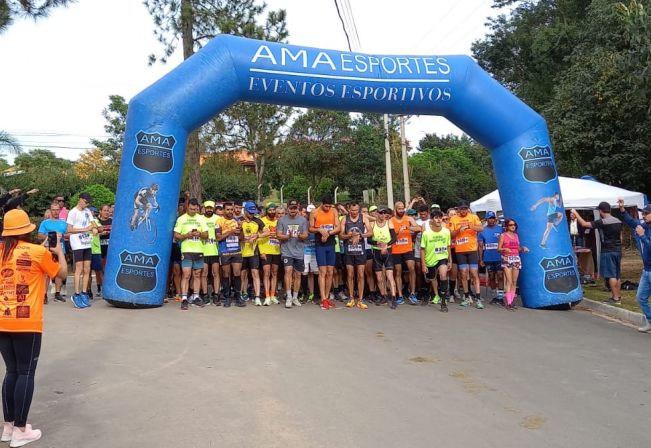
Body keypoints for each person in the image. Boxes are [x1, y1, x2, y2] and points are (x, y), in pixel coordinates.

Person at [0, 209, 67, 447]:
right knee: (26, 372)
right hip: (27, 322)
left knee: (11, 372)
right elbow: (61, 274)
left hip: (2, 320)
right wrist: (59, 252)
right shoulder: (38, 252)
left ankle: (8, 428)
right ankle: (20, 431)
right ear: (28, 230)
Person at [571, 203, 623, 305]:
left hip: (607, 250)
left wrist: (575, 213)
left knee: (611, 275)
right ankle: (618, 295)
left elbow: (585, 224)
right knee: (617, 275)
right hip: (618, 250)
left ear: (601, 211)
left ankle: (616, 298)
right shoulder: (618, 221)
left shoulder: (602, 222)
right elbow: (621, 237)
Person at [617, 200, 651, 331]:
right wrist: (622, 209)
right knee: (640, 298)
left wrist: (642, 236)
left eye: (647, 213)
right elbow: (631, 222)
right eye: (644, 213)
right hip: (646, 270)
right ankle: (650, 321)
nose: (644, 216)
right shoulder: (644, 226)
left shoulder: (644, 230)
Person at [173, 198, 208, 310]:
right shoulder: (182, 219)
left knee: (197, 274)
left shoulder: (201, 218)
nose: (193, 210)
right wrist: (186, 235)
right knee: (186, 274)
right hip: (187, 250)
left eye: (195, 209)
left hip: (199, 250)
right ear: (187, 207)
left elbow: (206, 235)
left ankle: (196, 296)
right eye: (191, 208)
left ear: (197, 208)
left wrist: (200, 234)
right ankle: (184, 298)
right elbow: (176, 235)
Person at [449, 201, 485, 309]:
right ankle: (466, 296)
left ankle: (478, 298)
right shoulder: (454, 218)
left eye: (465, 209)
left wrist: (471, 226)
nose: (463, 211)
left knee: (474, 273)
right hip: (460, 250)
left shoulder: (473, 217)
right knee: (463, 273)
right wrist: (459, 230)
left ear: (467, 209)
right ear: (458, 209)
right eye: (461, 209)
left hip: (472, 249)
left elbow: (481, 228)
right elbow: (450, 234)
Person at [309, 195, 341, 310]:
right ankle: (323, 298)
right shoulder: (315, 212)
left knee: (330, 271)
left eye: (329, 206)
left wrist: (328, 233)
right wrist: (319, 230)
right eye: (326, 206)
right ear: (322, 204)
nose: (327, 208)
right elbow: (310, 228)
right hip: (320, 244)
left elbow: (338, 228)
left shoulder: (334, 211)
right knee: (322, 271)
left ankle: (327, 297)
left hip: (330, 243)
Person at [340, 201, 372, 309]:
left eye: (356, 210)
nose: (354, 212)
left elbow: (371, 232)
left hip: (360, 250)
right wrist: (348, 235)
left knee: (361, 274)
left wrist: (360, 235)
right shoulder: (345, 219)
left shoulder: (363, 218)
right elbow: (340, 235)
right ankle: (351, 297)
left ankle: (361, 299)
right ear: (349, 210)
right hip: (349, 250)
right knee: (350, 274)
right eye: (352, 210)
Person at [277, 200, 309, 308]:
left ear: (298, 208)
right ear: (288, 209)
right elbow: (279, 235)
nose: (293, 210)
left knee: (298, 274)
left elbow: (305, 235)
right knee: (288, 271)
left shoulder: (303, 220)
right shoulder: (282, 220)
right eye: (291, 208)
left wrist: (300, 236)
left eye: (295, 208)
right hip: (287, 251)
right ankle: (289, 296)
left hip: (299, 251)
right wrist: (288, 236)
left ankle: (295, 297)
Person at [66, 192, 96, 308]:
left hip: (87, 243)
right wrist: (85, 229)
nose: (87, 204)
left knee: (87, 269)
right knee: (79, 269)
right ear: (80, 200)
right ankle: (76, 294)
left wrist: (93, 228)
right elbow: (69, 229)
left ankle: (84, 292)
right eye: (85, 201)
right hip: (77, 243)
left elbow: (92, 222)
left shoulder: (87, 211)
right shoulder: (73, 212)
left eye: (88, 202)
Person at [390, 201, 421, 305]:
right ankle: (399, 295)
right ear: (395, 209)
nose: (401, 210)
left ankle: (412, 293)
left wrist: (408, 227)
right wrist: (398, 232)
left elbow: (419, 228)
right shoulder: (391, 220)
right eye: (399, 208)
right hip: (396, 250)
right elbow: (389, 234)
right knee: (397, 272)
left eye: (403, 208)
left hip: (407, 249)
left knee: (412, 268)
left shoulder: (409, 219)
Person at [37, 201, 68, 303]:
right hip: (48, 249)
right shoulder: (45, 223)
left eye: (57, 210)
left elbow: (68, 235)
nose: (55, 212)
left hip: (60, 249)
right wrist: (51, 235)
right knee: (46, 273)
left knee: (59, 271)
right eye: (53, 210)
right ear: (50, 211)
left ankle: (57, 294)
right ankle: (44, 295)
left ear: (60, 210)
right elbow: (39, 236)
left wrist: (63, 235)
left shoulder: (63, 223)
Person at [420, 210, 451, 312]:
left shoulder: (446, 231)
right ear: (432, 220)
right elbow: (422, 249)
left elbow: (448, 246)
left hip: (442, 257)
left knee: (443, 275)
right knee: (430, 278)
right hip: (430, 259)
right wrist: (423, 264)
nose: (438, 220)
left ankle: (443, 301)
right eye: (436, 218)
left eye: (440, 217)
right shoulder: (426, 233)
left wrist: (450, 260)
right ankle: (428, 293)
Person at [217, 202, 245, 307]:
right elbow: (218, 237)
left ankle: (238, 296)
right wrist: (230, 231)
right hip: (225, 251)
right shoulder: (219, 221)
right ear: (224, 210)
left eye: (231, 210)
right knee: (225, 274)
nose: (230, 211)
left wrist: (240, 229)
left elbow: (242, 238)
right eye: (227, 209)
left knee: (237, 273)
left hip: (236, 251)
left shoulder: (237, 221)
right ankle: (227, 297)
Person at [369, 205, 398, 309]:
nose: (382, 215)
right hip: (376, 252)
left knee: (390, 275)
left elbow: (394, 238)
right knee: (379, 277)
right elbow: (369, 240)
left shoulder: (389, 223)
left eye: (384, 213)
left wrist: (386, 245)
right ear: (377, 213)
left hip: (387, 251)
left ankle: (394, 297)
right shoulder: (372, 224)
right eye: (380, 213)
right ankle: (383, 296)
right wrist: (377, 242)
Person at [498, 218, 529, 310]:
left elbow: (517, 248)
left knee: (515, 282)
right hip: (507, 259)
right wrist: (504, 249)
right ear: (507, 226)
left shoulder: (516, 235)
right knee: (509, 281)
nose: (513, 226)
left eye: (514, 225)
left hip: (516, 258)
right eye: (511, 225)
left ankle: (511, 301)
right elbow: (498, 248)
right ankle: (508, 302)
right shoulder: (503, 236)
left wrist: (523, 248)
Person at [240, 201, 264, 306]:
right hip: (241, 252)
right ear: (245, 211)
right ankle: (243, 293)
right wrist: (242, 237)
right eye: (250, 212)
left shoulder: (258, 221)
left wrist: (257, 236)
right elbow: (235, 235)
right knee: (243, 274)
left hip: (254, 252)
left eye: (253, 212)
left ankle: (257, 296)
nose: (252, 214)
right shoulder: (239, 221)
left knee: (255, 273)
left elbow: (267, 232)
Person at [479, 211, 505, 305]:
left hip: (499, 256)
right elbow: (481, 246)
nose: (491, 220)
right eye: (489, 218)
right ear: (486, 219)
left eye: (493, 218)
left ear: (495, 219)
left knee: (500, 275)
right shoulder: (482, 230)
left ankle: (501, 296)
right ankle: (495, 295)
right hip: (488, 257)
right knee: (491, 277)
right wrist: (481, 259)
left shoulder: (501, 229)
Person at [259, 203, 281, 305]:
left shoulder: (279, 221)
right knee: (266, 273)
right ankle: (267, 295)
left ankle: (273, 295)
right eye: (270, 210)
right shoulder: (262, 221)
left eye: (273, 210)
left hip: (276, 251)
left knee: (274, 273)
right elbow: (259, 237)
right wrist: (261, 251)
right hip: (265, 251)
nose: (272, 212)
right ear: (267, 210)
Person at [201, 201, 221, 305]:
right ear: (204, 208)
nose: (209, 209)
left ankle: (216, 294)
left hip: (215, 250)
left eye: (211, 208)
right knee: (203, 274)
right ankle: (205, 295)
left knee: (215, 274)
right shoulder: (200, 218)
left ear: (213, 208)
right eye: (207, 208)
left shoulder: (218, 218)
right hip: (203, 250)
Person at [301, 204, 319, 304]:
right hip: (305, 251)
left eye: (312, 212)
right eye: (309, 213)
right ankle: (304, 293)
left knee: (315, 272)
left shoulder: (317, 223)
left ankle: (314, 294)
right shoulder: (303, 223)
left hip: (315, 251)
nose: (310, 214)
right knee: (304, 272)